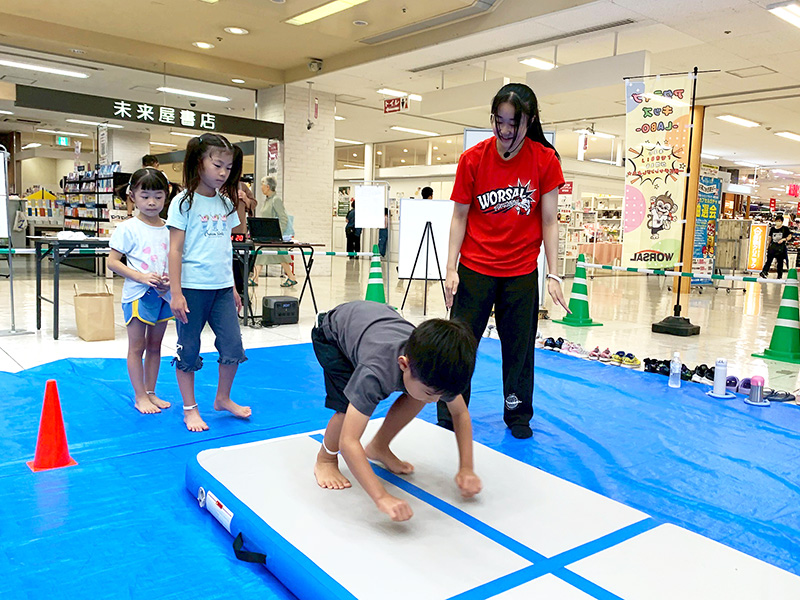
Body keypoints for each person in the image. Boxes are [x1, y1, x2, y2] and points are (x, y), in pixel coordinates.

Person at [440, 82, 569, 440]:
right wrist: (450, 269)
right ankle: (450, 408)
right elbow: (459, 217)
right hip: (475, 269)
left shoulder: (544, 160)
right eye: (500, 121)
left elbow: (549, 220)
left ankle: (517, 413)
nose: (506, 130)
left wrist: (554, 274)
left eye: (514, 123)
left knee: (519, 350)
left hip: (520, 272)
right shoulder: (474, 159)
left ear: (530, 121)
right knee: (460, 345)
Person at [312, 301, 481, 522]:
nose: (436, 401)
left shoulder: (435, 369)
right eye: (432, 393)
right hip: (332, 334)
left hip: (372, 325)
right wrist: (381, 497)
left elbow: (460, 413)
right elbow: (349, 441)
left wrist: (467, 468)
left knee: (418, 396)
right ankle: (325, 459)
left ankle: (379, 447)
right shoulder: (375, 371)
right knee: (345, 409)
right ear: (403, 364)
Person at [167, 133, 251, 432]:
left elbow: (227, 247)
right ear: (198, 162)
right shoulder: (183, 202)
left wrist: (234, 288)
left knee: (232, 345)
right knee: (188, 349)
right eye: (217, 165)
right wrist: (175, 293)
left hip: (222, 289)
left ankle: (223, 398)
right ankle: (190, 409)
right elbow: (174, 249)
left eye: (228, 168)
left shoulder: (226, 203)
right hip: (191, 288)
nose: (222, 173)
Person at [107, 168, 176, 415]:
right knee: (137, 346)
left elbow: (177, 259)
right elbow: (113, 262)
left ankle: (151, 391)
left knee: (156, 345)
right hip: (138, 294)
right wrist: (141, 277)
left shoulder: (171, 228)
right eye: (145, 195)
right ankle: (139, 396)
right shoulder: (127, 228)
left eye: (158, 196)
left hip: (164, 295)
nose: (151, 202)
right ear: (132, 195)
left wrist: (172, 282)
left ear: (166, 197)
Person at [251, 176, 296, 287]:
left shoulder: (276, 200)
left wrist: (278, 233)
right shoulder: (268, 200)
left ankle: (291, 277)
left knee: (281, 256)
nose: (261, 187)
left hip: (275, 235)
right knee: (261, 255)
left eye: (262, 185)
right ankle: (255, 278)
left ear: (268, 187)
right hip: (269, 235)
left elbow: (283, 218)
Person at [232, 177, 257, 296]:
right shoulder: (218, 186)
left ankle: (242, 293)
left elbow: (253, 203)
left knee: (240, 264)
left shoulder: (242, 186)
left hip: (239, 232)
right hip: (221, 232)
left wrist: (245, 198)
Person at [760, 214, 792, 279]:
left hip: (781, 248)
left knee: (780, 262)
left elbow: (789, 236)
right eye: (777, 220)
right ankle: (764, 272)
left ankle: (779, 275)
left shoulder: (785, 229)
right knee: (769, 261)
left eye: (779, 221)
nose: (778, 222)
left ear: (782, 222)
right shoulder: (772, 229)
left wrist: (784, 239)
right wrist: (767, 246)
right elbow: (770, 238)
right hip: (773, 247)